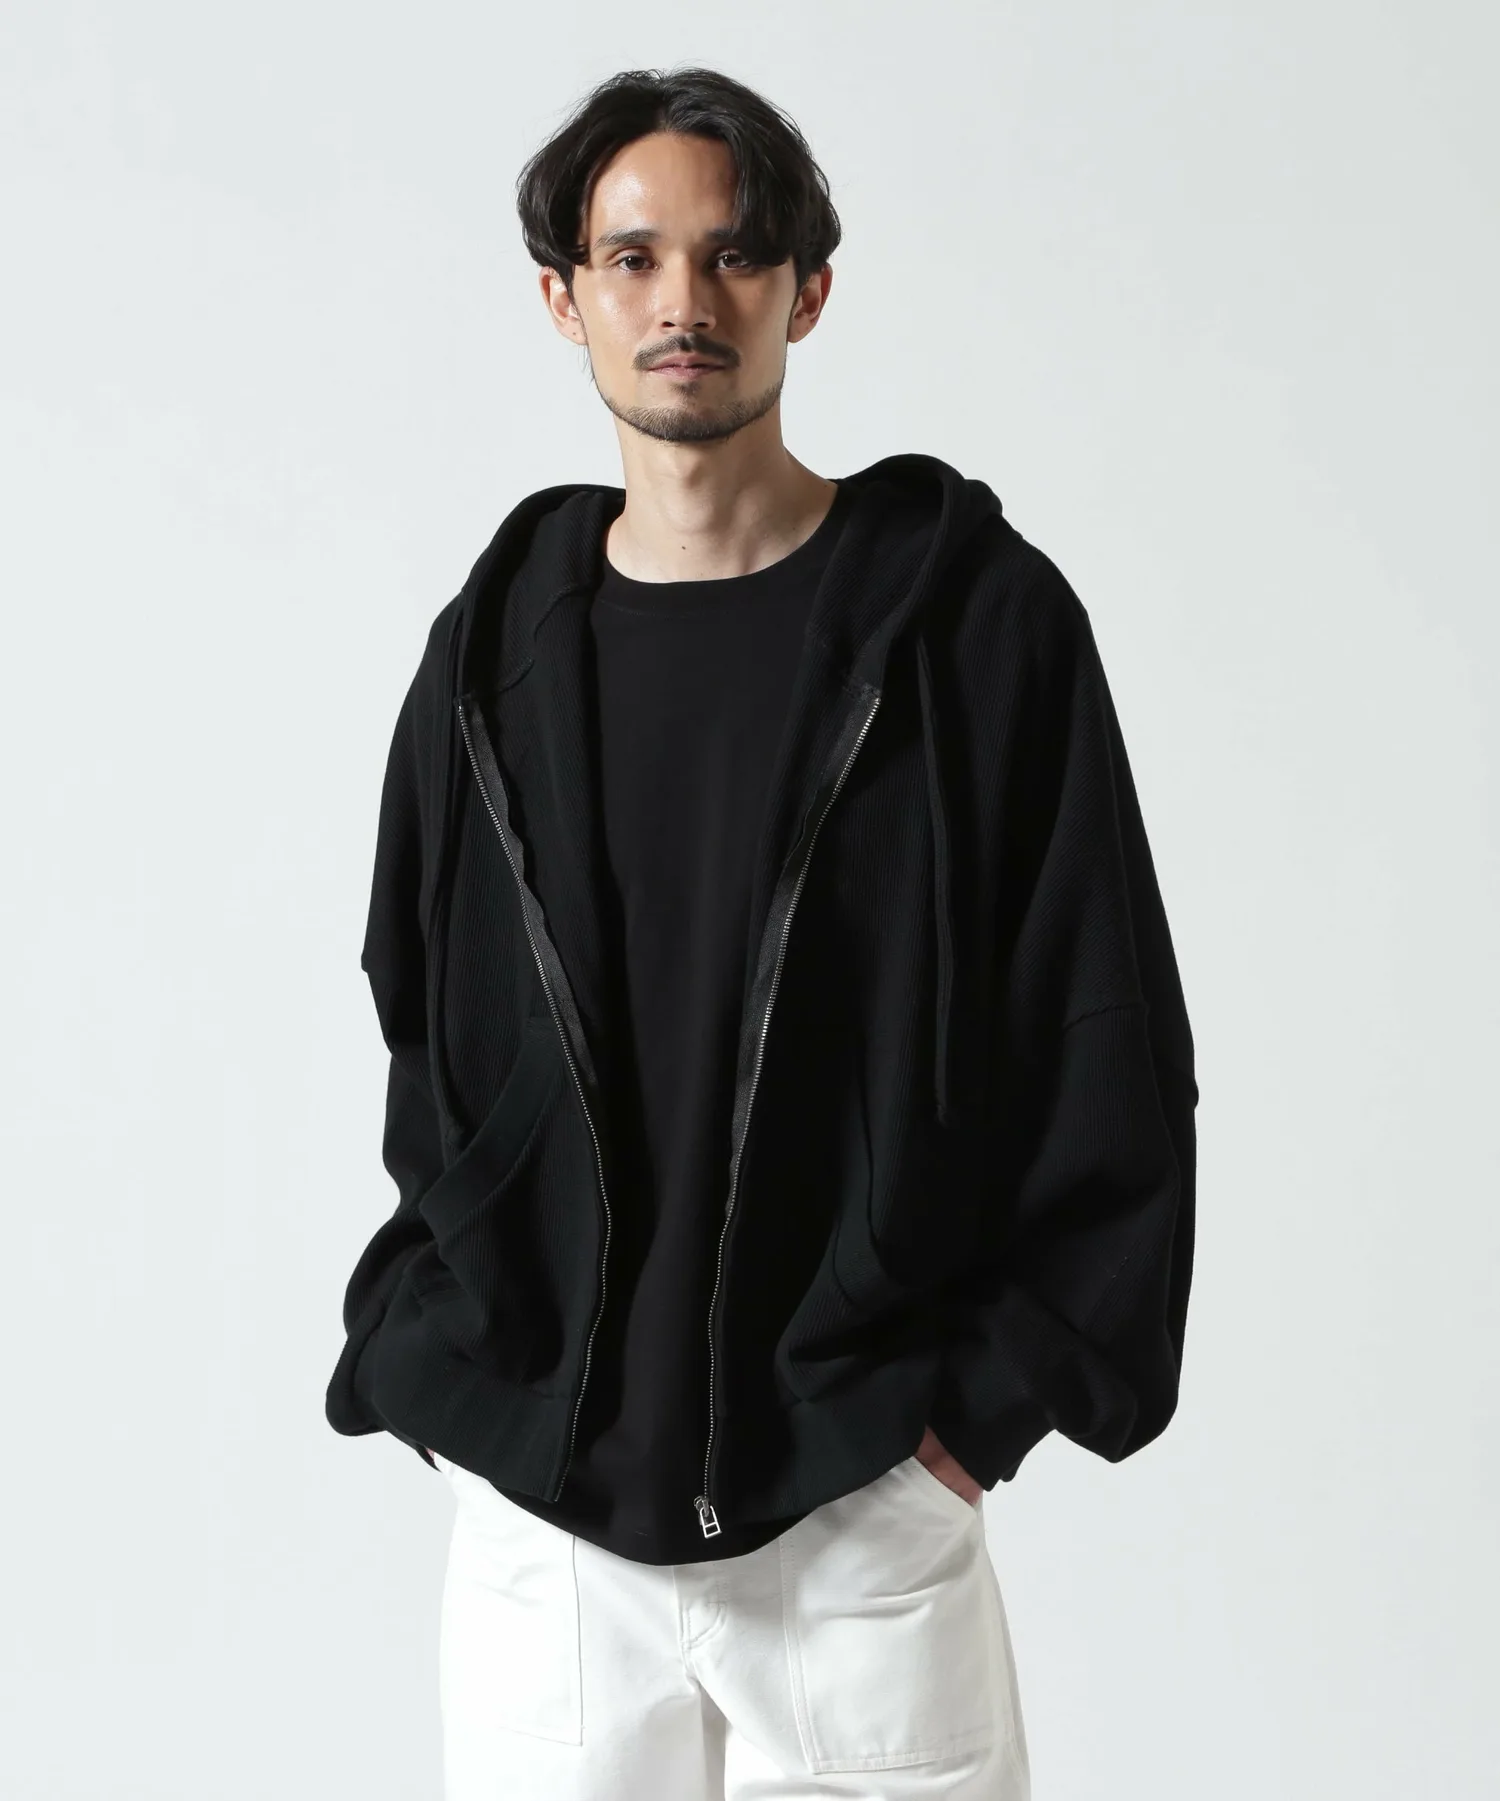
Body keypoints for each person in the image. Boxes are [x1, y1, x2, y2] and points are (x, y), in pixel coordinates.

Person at [324, 63, 1198, 1801]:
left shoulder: (974, 631)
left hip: (861, 1499)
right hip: (550, 1536)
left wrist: (968, 1425)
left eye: (733, 256)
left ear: (809, 289)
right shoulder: (491, 659)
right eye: (632, 258)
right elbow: (426, 1029)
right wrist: (460, 1373)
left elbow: (1106, 1032)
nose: (684, 302)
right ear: (563, 298)